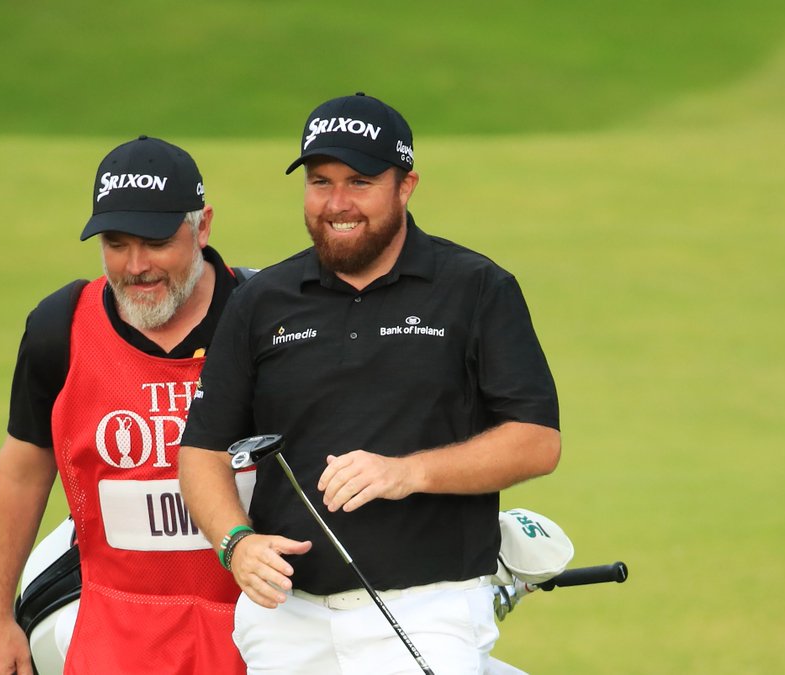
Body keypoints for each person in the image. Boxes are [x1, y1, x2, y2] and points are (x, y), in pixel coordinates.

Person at [177, 93, 562, 674]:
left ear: (405, 186)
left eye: (360, 182)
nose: (336, 203)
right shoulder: (262, 300)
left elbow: (537, 440)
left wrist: (407, 472)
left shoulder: (476, 288)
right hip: (285, 619)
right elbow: (203, 449)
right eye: (320, 181)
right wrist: (236, 543)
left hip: (430, 610)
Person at [0, 135, 251, 675]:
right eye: (116, 243)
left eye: (155, 242)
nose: (135, 266)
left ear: (203, 227)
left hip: (257, 629)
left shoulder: (269, 316)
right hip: (116, 633)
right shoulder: (60, 327)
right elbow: (22, 471)